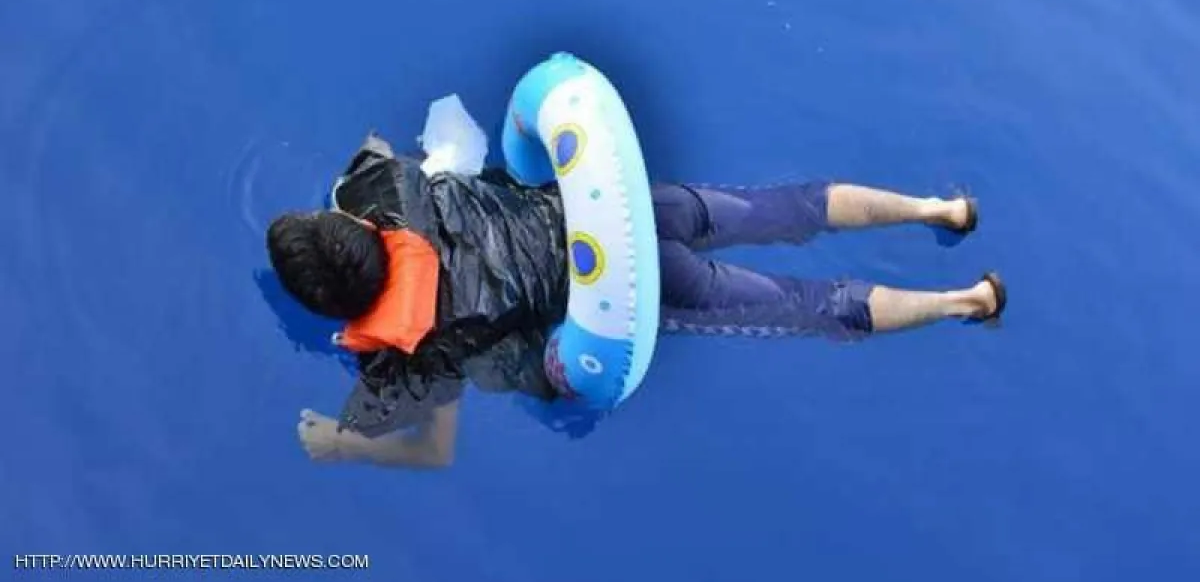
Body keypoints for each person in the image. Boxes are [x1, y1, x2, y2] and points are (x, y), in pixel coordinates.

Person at [269, 131, 1006, 469]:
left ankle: (966, 301)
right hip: (616, 213)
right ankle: (940, 209)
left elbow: (434, 449)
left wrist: (341, 443)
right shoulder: (389, 186)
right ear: (359, 226)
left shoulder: (414, 355)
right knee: (784, 208)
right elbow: (374, 146)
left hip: (624, 287)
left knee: (809, 303)